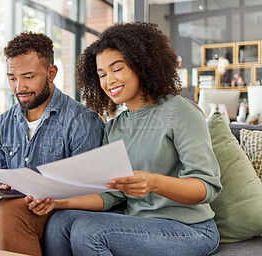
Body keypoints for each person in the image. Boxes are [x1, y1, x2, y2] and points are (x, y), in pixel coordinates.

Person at [26, 22, 222, 256]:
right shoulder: (114, 127)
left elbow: (206, 187)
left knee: (89, 230)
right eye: (102, 74)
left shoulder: (179, 111)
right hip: (139, 223)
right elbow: (112, 194)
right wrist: (58, 202)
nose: (109, 81)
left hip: (191, 229)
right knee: (60, 222)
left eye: (117, 69)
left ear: (141, 65)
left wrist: (153, 182)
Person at [0, 32, 104, 255]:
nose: (19, 87)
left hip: (52, 211)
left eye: (28, 77)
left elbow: (90, 189)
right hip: (10, 208)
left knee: (8, 212)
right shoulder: (4, 122)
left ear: (51, 73)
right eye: (12, 78)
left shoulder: (81, 121)